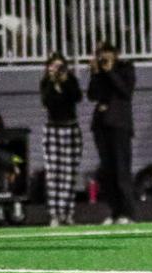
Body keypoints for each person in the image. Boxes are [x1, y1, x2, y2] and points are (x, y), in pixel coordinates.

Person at [87, 39, 138, 222]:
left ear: (115, 53)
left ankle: (128, 213)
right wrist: (95, 74)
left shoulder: (126, 68)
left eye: (107, 52)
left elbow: (126, 91)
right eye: (100, 52)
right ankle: (115, 212)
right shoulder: (99, 70)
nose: (103, 56)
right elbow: (92, 95)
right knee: (107, 171)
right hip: (101, 126)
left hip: (119, 125)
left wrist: (110, 72)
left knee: (121, 171)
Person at [40, 51, 83, 224]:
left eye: (60, 66)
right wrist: (52, 82)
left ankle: (68, 212)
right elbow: (47, 102)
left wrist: (65, 82)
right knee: (53, 174)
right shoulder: (46, 83)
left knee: (69, 174)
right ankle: (54, 214)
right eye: (53, 66)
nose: (57, 70)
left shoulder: (70, 81)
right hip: (53, 129)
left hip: (71, 128)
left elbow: (77, 98)